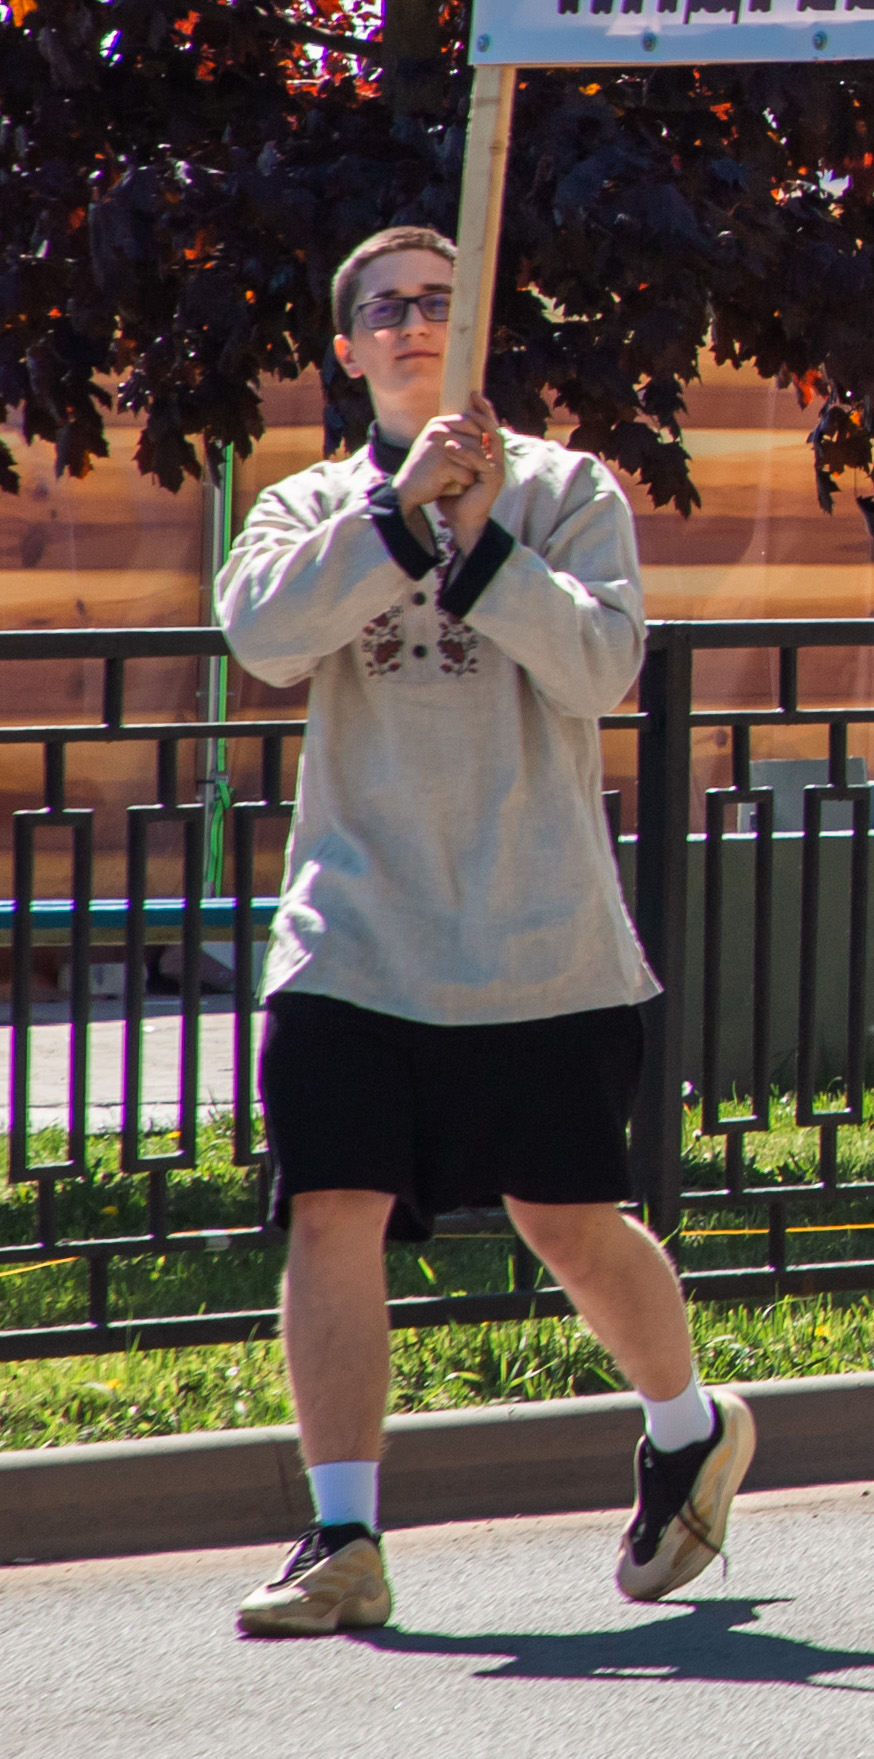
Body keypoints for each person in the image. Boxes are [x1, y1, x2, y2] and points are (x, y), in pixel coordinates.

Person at [219, 224, 729, 1637]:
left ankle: (688, 1427)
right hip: (354, 930)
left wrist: (481, 530)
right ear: (346, 345)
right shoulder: (305, 501)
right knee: (332, 1210)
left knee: (567, 1218)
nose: (410, 321)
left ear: (481, 328)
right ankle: (343, 1531)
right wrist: (398, 515)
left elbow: (604, 665)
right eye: (382, 305)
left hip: (534, 932)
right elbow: (263, 633)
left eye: (440, 301)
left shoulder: (569, 490)